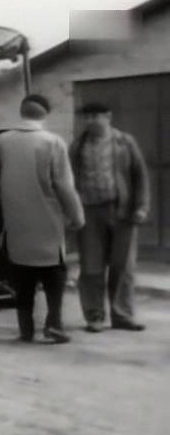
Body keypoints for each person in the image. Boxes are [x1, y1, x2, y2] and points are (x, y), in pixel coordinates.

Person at [0, 94, 85, 344]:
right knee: (53, 273)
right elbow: (63, 185)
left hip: (16, 220)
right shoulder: (53, 142)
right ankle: (54, 325)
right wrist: (77, 216)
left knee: (22, 275)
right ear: (45, 114)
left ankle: (26, 329)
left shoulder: (2, 142)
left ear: (22, 111)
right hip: (47, 218)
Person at [69, 102, 150, 333]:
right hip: (89, 213)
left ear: (108, 116)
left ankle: (122, 315)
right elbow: (69, 179)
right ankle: (94, 317)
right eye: (87, 116)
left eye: (96, 116)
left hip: (122, 211)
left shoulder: (125, 142)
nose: (92, 120)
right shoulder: (77, 146)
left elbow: (140, 176)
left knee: (123, 266)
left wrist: (141, 206)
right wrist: (71, 211)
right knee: (91, 267)